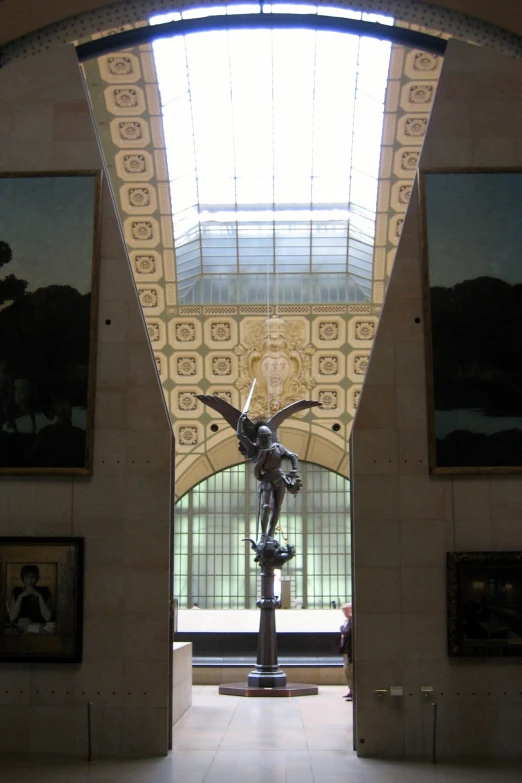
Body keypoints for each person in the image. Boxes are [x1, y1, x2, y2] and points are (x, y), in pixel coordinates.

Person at [237, 413, 301, 544]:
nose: (265, 439)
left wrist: (294, 469)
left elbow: (293, 455)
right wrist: (240, 422)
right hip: (266, 479)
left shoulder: (277, 448)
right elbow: (240, 436)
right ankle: (263, 534)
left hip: (280, 479)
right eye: (262, 437)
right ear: (258, 438)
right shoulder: (255, 449)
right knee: (266, 507)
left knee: (277, 507)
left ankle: (271, 534)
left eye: (267, 437)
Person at [338, 603, 353, 701]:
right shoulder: (346, 621)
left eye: (346, 610)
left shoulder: (352, 621)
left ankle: (353, 692)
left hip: (350, 651)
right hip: (346, 651)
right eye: (343, 610)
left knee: (349, 671)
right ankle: (351, 690)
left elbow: (347, 632)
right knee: (346, 671)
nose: (344, 612)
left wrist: (342, 629)